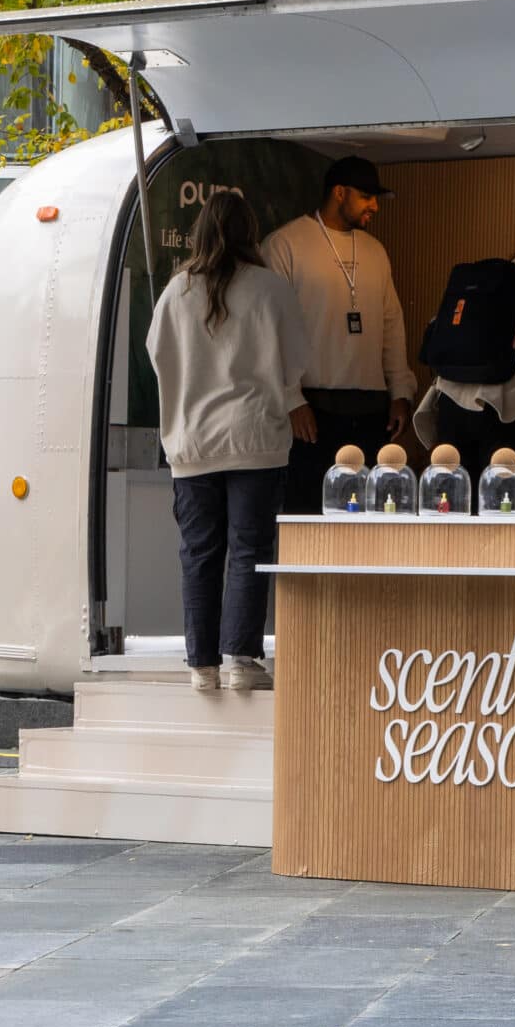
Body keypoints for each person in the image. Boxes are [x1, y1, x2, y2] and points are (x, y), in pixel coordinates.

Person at [145, 191, 307, 695]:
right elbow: (297, 362)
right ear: (249, 233)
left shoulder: (176, 292)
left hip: (192, 444)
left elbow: (157, 356)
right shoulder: (271, 289)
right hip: (255, 439)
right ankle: (241, 658)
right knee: (248, 549)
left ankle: (202, 665)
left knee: (198, 553)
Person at [262, 155, 416, 515]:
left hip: (371, 406)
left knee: (367, 514)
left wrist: (400, 392)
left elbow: (392, 325)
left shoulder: (375, 251)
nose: (375, 206)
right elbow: (269, 330)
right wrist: (291, 399)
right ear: (339, 193)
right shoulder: (285, 245)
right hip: (311, 409)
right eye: (366, 197)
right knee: (306, 513)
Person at [413, 231, 515, 473]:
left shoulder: (482, 283)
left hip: (451, 402)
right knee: (507, 497)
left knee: (453, 493)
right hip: (511, 408)